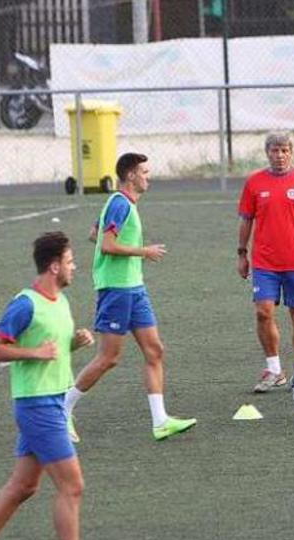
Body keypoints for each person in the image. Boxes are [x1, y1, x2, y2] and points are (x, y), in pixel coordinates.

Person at [0, 231, 95, 540]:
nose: (74, 266)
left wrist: (72, 344)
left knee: (24, 485)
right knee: (72, 486)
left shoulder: (61, 301)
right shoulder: (25, 305)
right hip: (37, 406)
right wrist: (33, 353)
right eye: (69, 261)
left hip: (53, 402)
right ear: (54, 266)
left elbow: (51, 349)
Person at [64, 153, 197, 442]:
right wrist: (142, 251)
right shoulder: (119, 204)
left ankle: (160, 421)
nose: (148, 177)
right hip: (116, 289)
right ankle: (62, 409)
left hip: (134, 288)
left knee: (154, 350)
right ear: (131, 176)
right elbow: (107, 245)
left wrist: (117, 244)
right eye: (144, 172)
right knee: (108, 358)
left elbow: (94, 234)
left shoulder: (121, 205)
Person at [236, 132, 294, 394]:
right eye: (275, 150)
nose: (279, 155)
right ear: (267, 153)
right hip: (265, 262)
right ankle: (274, 369)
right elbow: (246, 220)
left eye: (284, 150)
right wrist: (242, 253)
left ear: (291, 152)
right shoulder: (255, 182)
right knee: (263, 311)